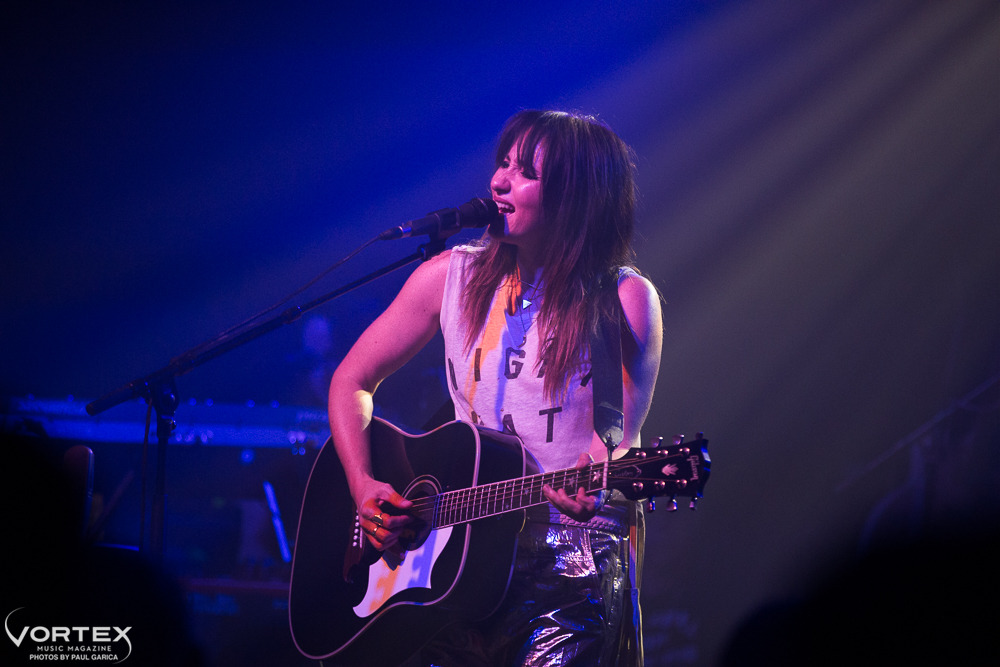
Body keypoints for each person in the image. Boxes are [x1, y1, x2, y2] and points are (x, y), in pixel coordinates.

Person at [327, 109, 662, 666]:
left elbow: (618, 437)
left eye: (524, 171)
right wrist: (363, 484)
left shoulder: (622, 299)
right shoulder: (448, 277)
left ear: (573, 196)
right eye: (501, 164)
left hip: (569, 562)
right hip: (457, 558)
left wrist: (596, 477)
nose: (499, 181)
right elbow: (351, 381)